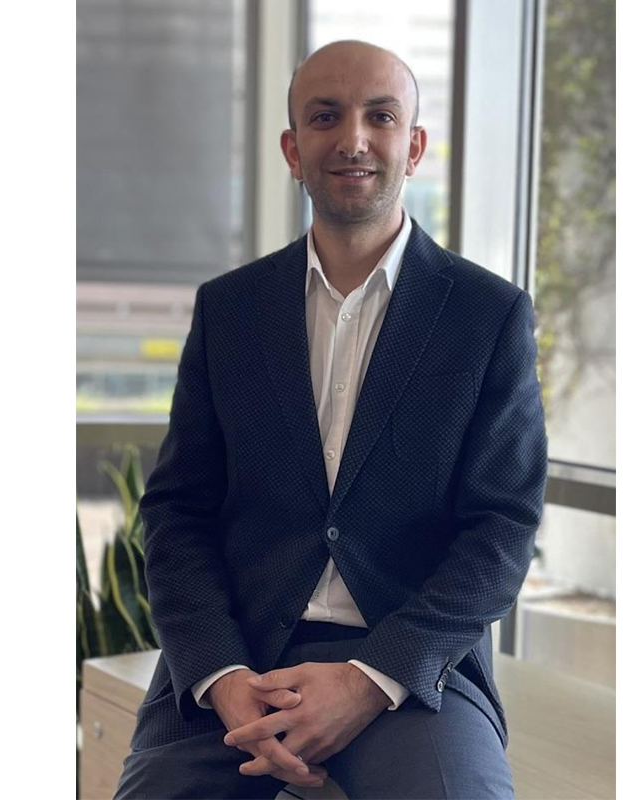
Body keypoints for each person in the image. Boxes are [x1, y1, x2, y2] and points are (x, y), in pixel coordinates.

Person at [114, 39, 547, 799]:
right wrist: (221, 674)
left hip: (410, 671)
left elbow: (502, 528)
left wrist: (371, 678)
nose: (353, 139)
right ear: (293, 150)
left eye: (380, 116)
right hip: (240, 662)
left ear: (414, 146)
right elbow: (178, 512)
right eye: (325, 117)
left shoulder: (489, 314)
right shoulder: (229, 311)